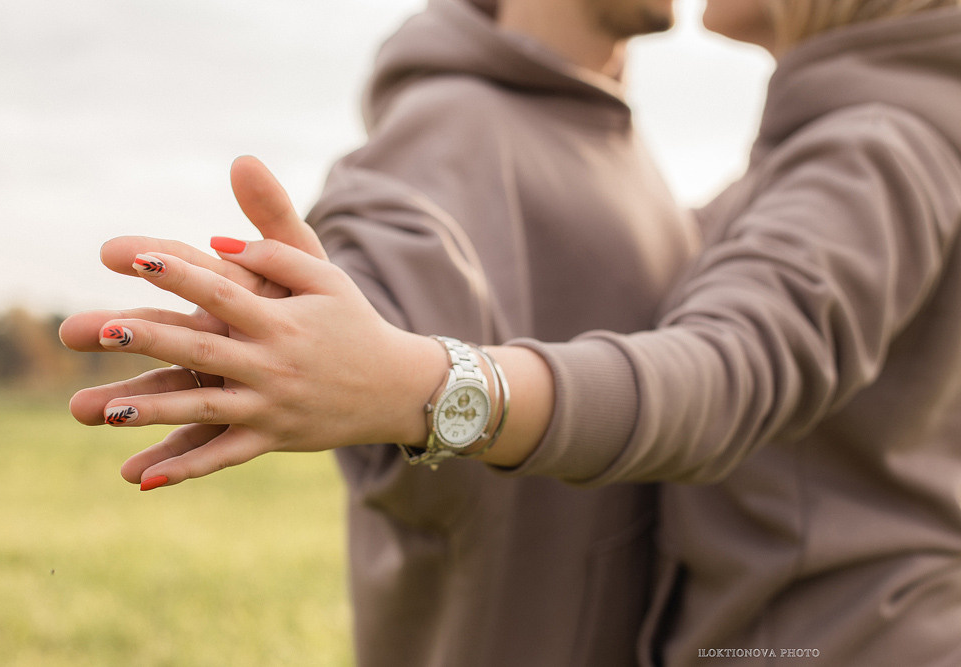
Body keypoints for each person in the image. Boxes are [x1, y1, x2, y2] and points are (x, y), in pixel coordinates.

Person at [64, 0, 961, 663]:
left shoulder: (871, 141)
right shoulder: (459, 130)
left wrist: (419, 379)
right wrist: (332, 341)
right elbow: (393, 248)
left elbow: (730, 351)